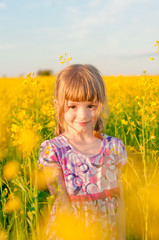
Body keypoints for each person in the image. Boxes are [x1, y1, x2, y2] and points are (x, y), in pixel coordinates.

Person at [38, 64, 127, 240]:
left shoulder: (114, 147)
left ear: (101, 104)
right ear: (57, 105)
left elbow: (121, 202)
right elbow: (62, 203)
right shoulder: (53, 150)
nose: (83, 115)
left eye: (90, 106)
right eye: (72, 106)